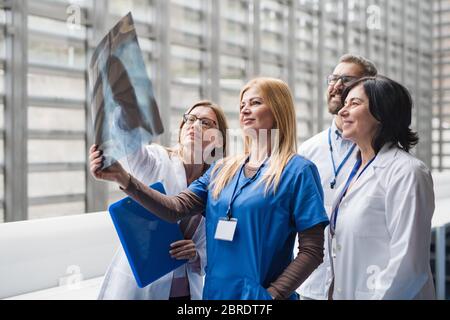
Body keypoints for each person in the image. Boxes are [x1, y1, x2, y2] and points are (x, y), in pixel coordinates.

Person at [90, 77, 329, 300]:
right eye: (242, 104)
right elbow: (175, 209)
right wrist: (124, 178)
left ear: (278, 110)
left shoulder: (298, 171)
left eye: (255, 103)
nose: (245, 109)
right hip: (215, 295)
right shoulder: (222, 170)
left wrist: (272, 295)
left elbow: (312, 250)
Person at [94, 100, 229, 300]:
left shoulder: (220, 185)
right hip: (140, 289)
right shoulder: (156, 160)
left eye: (206, 123)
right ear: (182, 129)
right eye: (190, 119)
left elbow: (221, 245)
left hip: (187, 292)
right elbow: (129, 145)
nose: (195, 125)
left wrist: (197, 254)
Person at [328, 76, 435, 299]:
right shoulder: (355, 170)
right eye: (345, 104)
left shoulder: (407, 172)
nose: (342, 111)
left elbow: (408, 265)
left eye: (354, 103)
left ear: (382, 112)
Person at [298, 54, 378, 300]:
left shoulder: (382, 152)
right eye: (332, 78)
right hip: (313, 284)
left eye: (346, 79)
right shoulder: (308, 150)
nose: (335, 86)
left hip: (363, 284)